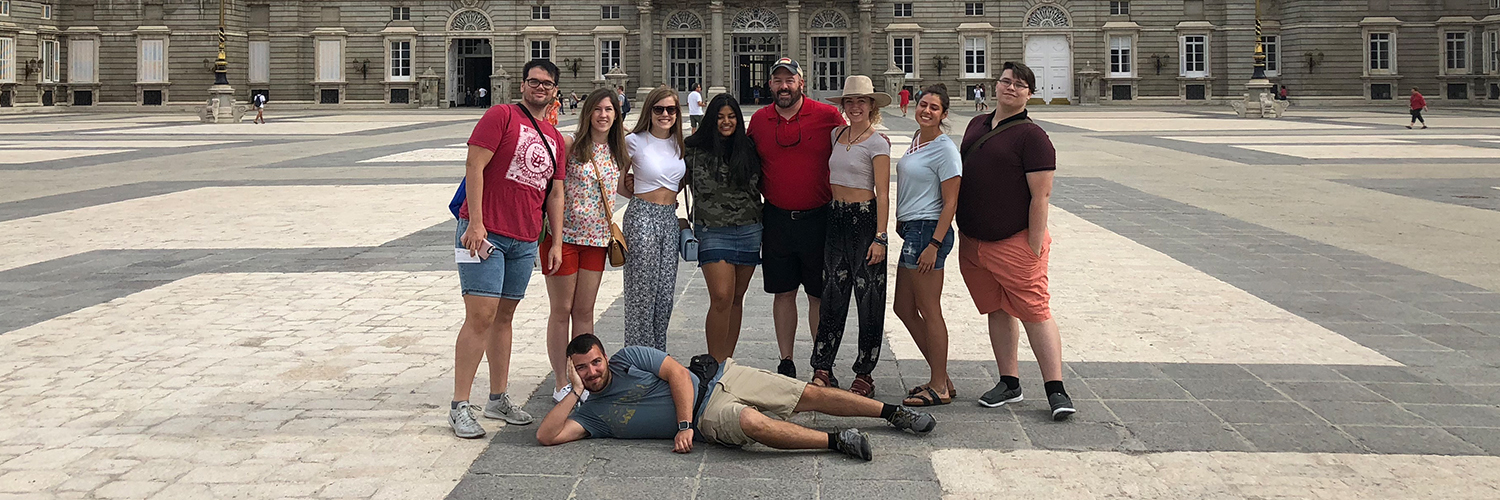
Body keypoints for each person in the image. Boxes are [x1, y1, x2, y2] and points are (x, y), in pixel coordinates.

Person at [535, 334, 937, 461]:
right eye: (583, 367)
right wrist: (576, 391)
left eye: (595, 362)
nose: (593, 371)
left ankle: (892, 413)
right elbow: (547, 436)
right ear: (574, 369)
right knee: (751, 424)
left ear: (605, 356)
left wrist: (682, 426)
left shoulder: (629, 359)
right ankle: (837, 441)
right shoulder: (593, 416)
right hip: (712, 413)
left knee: (809, 394)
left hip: (720, 378)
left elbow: (676, 373)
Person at [450, 59, 568, 438]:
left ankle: (497, 397)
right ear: (522, 85)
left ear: (555, 92)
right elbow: (474, 165)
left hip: (523, 239)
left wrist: (555, 242)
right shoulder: (500, 115)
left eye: (547, 84)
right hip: (484, 234)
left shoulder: (554, 137)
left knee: (504, 318)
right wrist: (477, 222)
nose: (540, 88)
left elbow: (556, 193)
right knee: (480, 317)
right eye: (534, 82)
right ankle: (459, 405)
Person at [957, 61, 1075, 421]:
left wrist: (1033, 246)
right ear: (996, 85)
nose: (1011, 88)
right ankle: (1010, 382)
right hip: (974, 241)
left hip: (1015, 241)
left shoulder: (1033, 137)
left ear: (1029, 93)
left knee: (1035, 312)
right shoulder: (977, 124)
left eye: (1019, 85)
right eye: (1006, 81)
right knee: (997, 307)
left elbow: (1041, 196)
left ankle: (1056, 389)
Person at [746, 58, 846, 380]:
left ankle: (821, 364)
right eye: (777, 80)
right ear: (770, 84)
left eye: (789, 80)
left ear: (801, 83)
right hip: (776, 219)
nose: (783, 86)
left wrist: (877, 144)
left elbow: (852, 144)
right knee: (783, 292)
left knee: (818, 294)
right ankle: (786, 360)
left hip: (819, 219)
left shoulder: (827, 116)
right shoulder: (759, 120)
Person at [543, 88, 630, 403]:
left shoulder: (618, 151)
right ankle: (559, 380)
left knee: (584, 311)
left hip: (596, 241)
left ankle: (584, 377)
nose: (604, 115)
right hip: (562, 239)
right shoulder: (570, 144)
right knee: (561, 310)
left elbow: (623, 187)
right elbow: (552, 188)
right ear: (588, 113)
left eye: (610, 109)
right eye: (598, 109)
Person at [810, 75, 892, 397]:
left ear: (872, 106)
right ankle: (823, 366)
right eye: (850, 101)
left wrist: (880, 237)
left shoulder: (877, 142)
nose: (855, 106)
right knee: (832, 292)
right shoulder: (836, 134)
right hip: (836, 217)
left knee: (869, 296)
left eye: (862, 101)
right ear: (843, 106)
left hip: (864, 219)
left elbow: (883, 194)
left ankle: (864, 372)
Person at [893, 85, 961, 407]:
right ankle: (941, 375)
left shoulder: (945, 148)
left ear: (944, 114)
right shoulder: (917, 141)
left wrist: (934, 244)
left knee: (929, 309)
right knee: (903, 308)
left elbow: (951, 202)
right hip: (913, 229)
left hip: (928, 231)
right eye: (923, 104)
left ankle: (939, 386)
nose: (927, 110)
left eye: (935, 107)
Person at [685, 94, 764, 361]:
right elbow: (667, 176)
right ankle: (714, 363)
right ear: (710, 119)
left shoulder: (750, 148)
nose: (726, 122)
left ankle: (726, 363)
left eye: (731, 116)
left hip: (750, 229)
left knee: (736, 299)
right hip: (712, 230)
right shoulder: (693, 150)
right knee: (720, 297)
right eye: (720, 117)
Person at [622, 86, 687, 351]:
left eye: (670, 109)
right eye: (658, 109)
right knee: (642, 292)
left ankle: (657, 354)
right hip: (642, 216)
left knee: (664, 292)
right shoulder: (635, 140)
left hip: (669, 218)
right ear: (649, 111)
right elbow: (614, 179)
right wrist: (639, 193)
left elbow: (678, 180)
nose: (665, 114)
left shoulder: (679, 143)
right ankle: (639, 356)